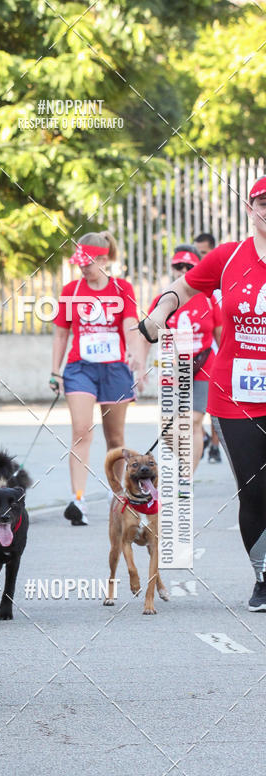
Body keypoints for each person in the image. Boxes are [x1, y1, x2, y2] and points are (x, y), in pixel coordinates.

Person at [139, 175, 266, 611]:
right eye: (263, 202)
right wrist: (159, 312)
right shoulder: (229, 257)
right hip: (237, 394)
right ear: (251, 207)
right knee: (254, 492)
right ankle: (263, 578)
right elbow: (185, 287)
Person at [50, 231, 146, 525]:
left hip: (115, 370)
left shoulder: (122, 288)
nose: (82, 267)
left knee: (115, 438)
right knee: (81, 431)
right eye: (79, 263)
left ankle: (116, 491)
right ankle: (78, 499)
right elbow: (62, 332)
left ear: (103, 260)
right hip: (80, 368)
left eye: (88, 262)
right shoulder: (71, 290)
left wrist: (137, 362)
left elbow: (131, 327)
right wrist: (55, 370)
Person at [147, 245, 222, 472]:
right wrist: (139, 365)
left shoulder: (209, 300)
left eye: (189, 266)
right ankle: (188, 457)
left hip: (204, 364)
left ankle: (187, 475)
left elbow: (221, 335)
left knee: (193, 421)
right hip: (172, 367)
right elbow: (148, 331)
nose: (183, 270)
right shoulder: (163, 299)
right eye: (178, 266)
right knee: (168, 427)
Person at [194, 232, 222, 462]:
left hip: (220, 344)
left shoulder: (224, 276)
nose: (199, 257)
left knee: (216, 400)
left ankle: (215, 443)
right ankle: (201, 436)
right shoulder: (197, 280)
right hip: (201, 348)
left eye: (203, 253)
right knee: (195, 407)